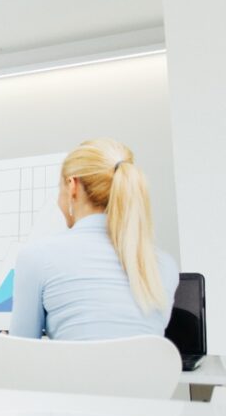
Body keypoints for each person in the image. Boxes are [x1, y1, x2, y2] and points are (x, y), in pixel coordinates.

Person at [10, 138, 178, 339]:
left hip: (68, 371)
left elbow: (23, 349)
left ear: (73, 186)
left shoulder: (35, 257)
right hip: (145, 371)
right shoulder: (164, 265)